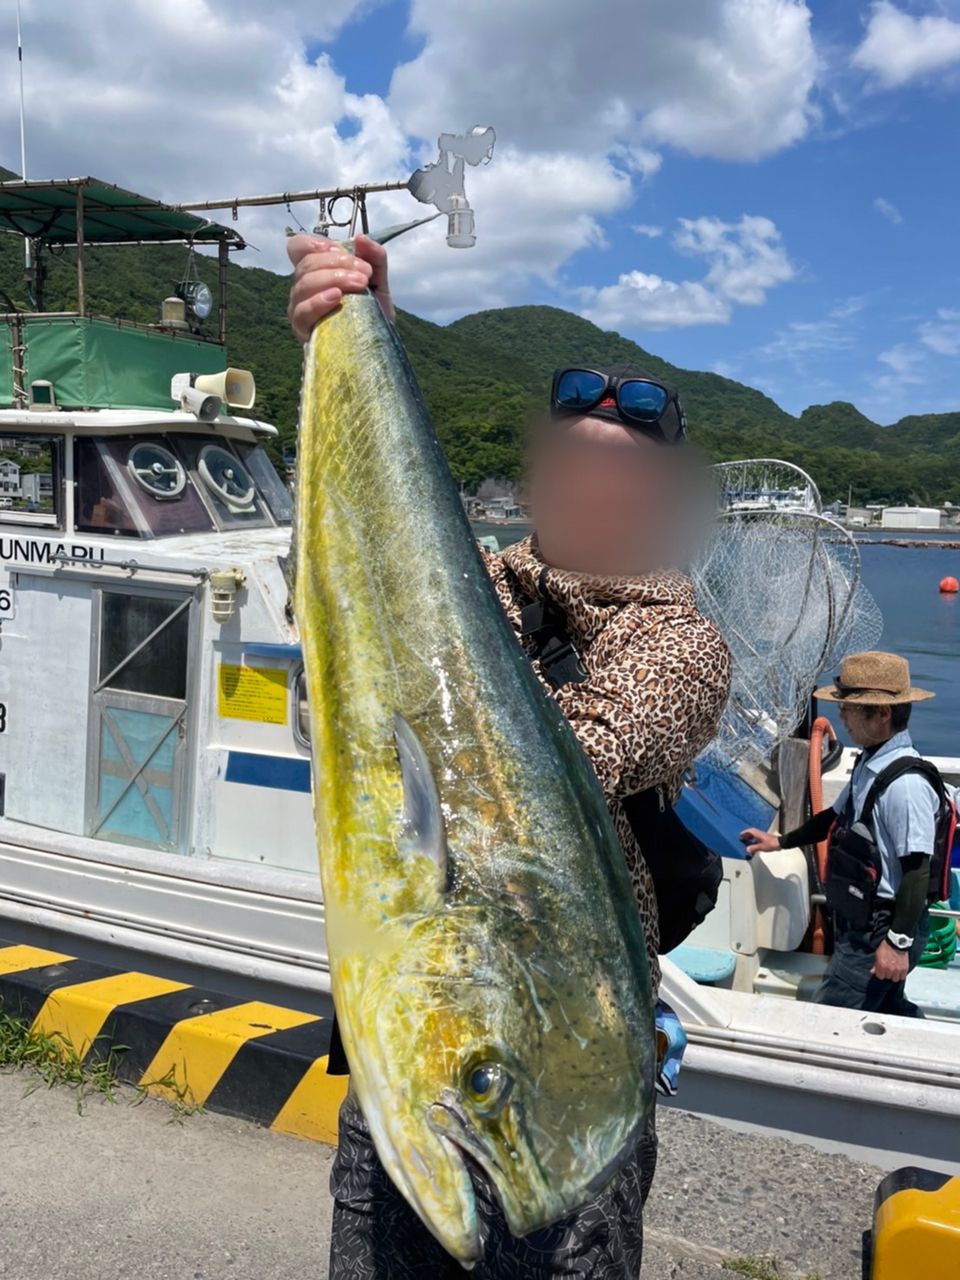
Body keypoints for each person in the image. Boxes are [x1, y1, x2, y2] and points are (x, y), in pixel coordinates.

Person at [287, 233, 732, 1279]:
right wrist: (354, 339)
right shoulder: (475, 581)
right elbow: (342, 672)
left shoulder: (682, 639)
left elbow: (554, 763)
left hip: (557, 1081)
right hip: (430, 1051)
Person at [742, 651, 938, 1018]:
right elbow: (832, 817)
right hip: (861, 928)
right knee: (887, 1008)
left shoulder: (906, 786)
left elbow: (916, 872)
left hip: (880, 933)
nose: (842, 716)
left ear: (882, 713)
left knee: (832, 1020)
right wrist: (780, 841)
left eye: (851, 708)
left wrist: (896, 945)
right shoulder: (870, 761)